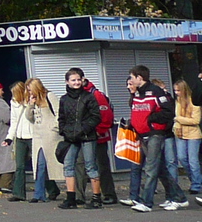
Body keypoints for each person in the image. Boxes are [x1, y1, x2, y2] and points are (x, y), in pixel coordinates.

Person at [128, 67, 185, 213]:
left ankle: (147, 203)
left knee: (150, 168)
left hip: (155, 134)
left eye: (132, 77)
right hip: (142, 135)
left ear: (140, 77)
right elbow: (136, 111)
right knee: (160, 169)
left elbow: (168, 111)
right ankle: (179, 197)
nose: (130, 80)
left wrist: (151, 120)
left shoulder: (155, 91)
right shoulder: (137, 93)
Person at [55, 68, 103, 209]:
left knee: (90, 166)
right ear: (67, 82)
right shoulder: (64, 99)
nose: (76, 82)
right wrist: (64, 131)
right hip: (70, 138)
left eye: (78, 80)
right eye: (73, 80)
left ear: (83, 80)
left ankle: (96, 198)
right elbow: (61, 118)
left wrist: (83, 129)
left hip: (87, 136)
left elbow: (96, 117)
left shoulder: (89, 97)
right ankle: (71, 198)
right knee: (68, 166)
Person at [22, 79, 63, 203]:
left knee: (50, 164)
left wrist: (55, 128)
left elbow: (59, 113)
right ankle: (39, 194)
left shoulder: (49, 96)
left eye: (30, 89)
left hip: (50, 135)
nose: (29, 92)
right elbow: (29, 118)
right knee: (39, 165)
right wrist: (30, 105)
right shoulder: (34, 101)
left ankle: (71, 191)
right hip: (38, 136)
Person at [86, 78, 119, 204]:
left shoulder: (96, 95)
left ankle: (109, 194)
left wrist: (98, 132)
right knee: (85, 166)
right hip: (84, 136)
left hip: (98, 137)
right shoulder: (80, 95)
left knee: (102, 166)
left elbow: (106, 116)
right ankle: (83, 195)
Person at [5, 81, 33, 201]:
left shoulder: (31, 101)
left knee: (39, 165)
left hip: (32, 136)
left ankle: (52, 189)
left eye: (14, 93)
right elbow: (14, 121)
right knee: (19, 165)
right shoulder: (14, 103)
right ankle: (19, 193)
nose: (13, 96)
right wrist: (9, 137)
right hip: (20, 137)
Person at [174, 79, 201, 202]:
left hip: (193, 134)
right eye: (175, 90)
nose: (176, 93)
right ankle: (194, 179)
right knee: (182, 158)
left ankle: (196, 184)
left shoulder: (193, 101)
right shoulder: (177, 101)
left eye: (178, 90)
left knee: (193, 160)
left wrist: (179, 119)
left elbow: (195, 121)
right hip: (180, 133)